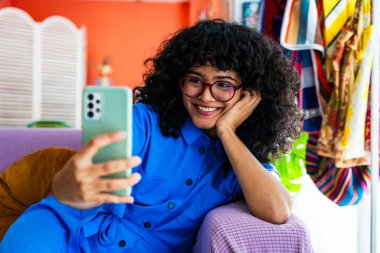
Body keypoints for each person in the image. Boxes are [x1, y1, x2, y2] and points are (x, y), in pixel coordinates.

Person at [0, 19, 303, 252]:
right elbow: (78, 180)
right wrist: (69, 187)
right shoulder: (144, 121)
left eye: (224, 84)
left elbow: (277, 212)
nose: (205, 96)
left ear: (249, 95)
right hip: (58, 232)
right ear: (178, 81)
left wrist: (227, 131)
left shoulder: (241, 163)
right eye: (194, 80)